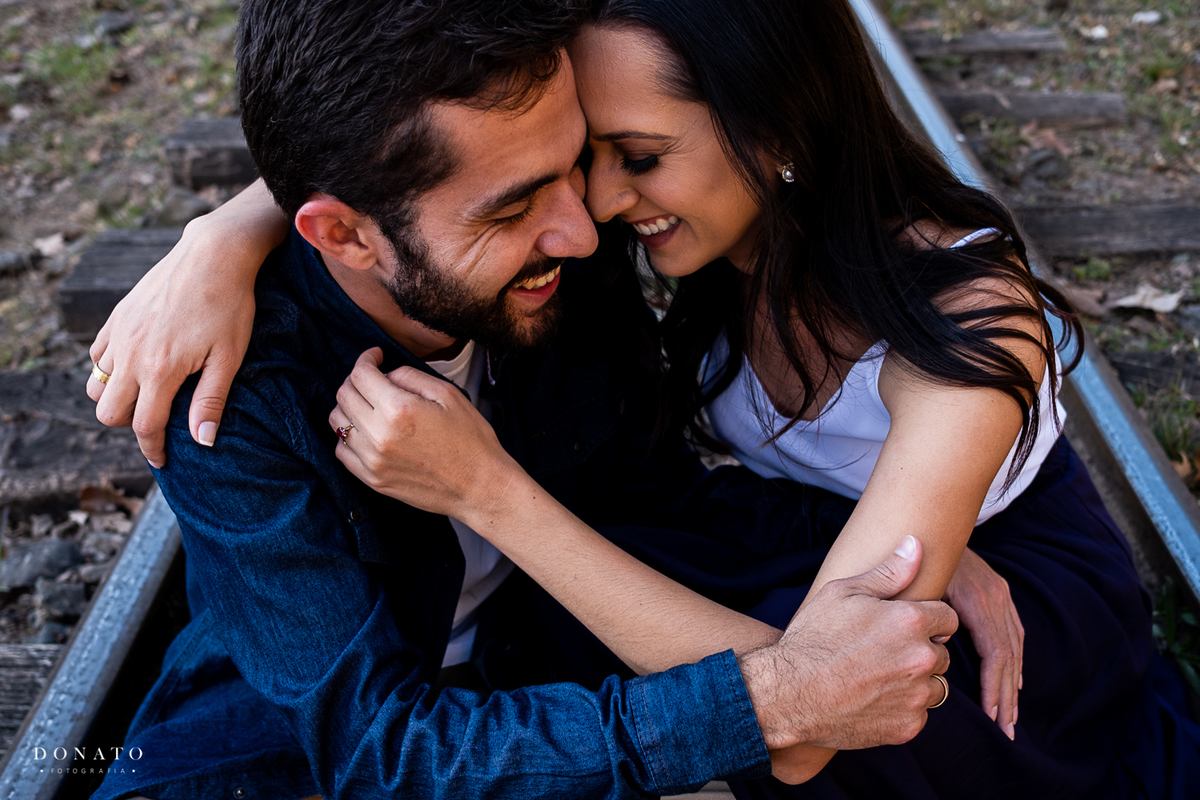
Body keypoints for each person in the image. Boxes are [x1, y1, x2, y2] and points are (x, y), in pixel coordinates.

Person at [90, 0, 1200, 798]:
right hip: (390, 725)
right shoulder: (237, 391)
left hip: (977, 662)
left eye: (608, 161)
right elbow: (387, 751)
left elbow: (663, 496)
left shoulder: (580, 258)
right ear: (339, 231)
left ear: (772, 133)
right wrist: (226, 233)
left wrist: (911, 539)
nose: (588, 224)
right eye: (524, 201)